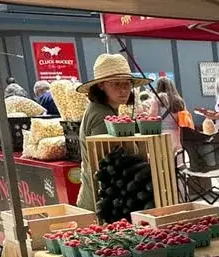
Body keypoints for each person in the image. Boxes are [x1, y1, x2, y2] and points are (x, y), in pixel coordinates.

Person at [75, 53, 151, 210]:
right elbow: (108, 160)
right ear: (101, 86)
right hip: (103, 199)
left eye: (127, 84)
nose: (123, 90)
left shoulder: (107, 110)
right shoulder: (100, 114)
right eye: (116, 84)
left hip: (103, 195)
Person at [148, 76, 188, 152]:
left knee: (166, 161)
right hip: (178, 134)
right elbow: (185, 116)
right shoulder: (179, 100)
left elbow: (153, 116)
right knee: (178, 161)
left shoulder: (156, 99)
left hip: (163, 134)